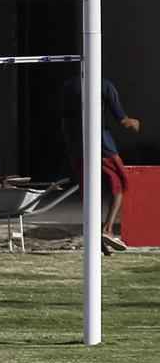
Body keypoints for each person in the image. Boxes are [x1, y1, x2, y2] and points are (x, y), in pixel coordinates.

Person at [62, 76, 142, 254]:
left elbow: (64, 118)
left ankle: (96, 235)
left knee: (89, 190)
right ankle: (107, 230)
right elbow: (123, 120)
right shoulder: (104, 85)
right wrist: (135, 123)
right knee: (120, 183)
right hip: (101, 144)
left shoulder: (70, 85)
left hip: (77, 146)